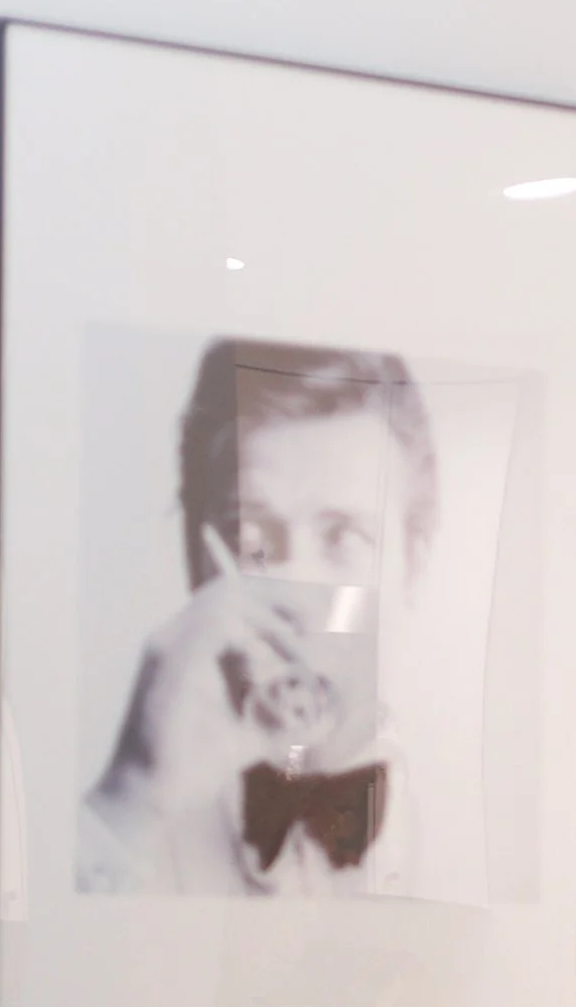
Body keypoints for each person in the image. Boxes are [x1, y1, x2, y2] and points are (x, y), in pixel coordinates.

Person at [79, 340, 440, 897]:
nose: (293, 590)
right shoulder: (119, 827)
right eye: (252, 541)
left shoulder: (491, 824)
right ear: (195, 560)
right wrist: (130, 800)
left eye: (343, 538)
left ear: (413, 565)